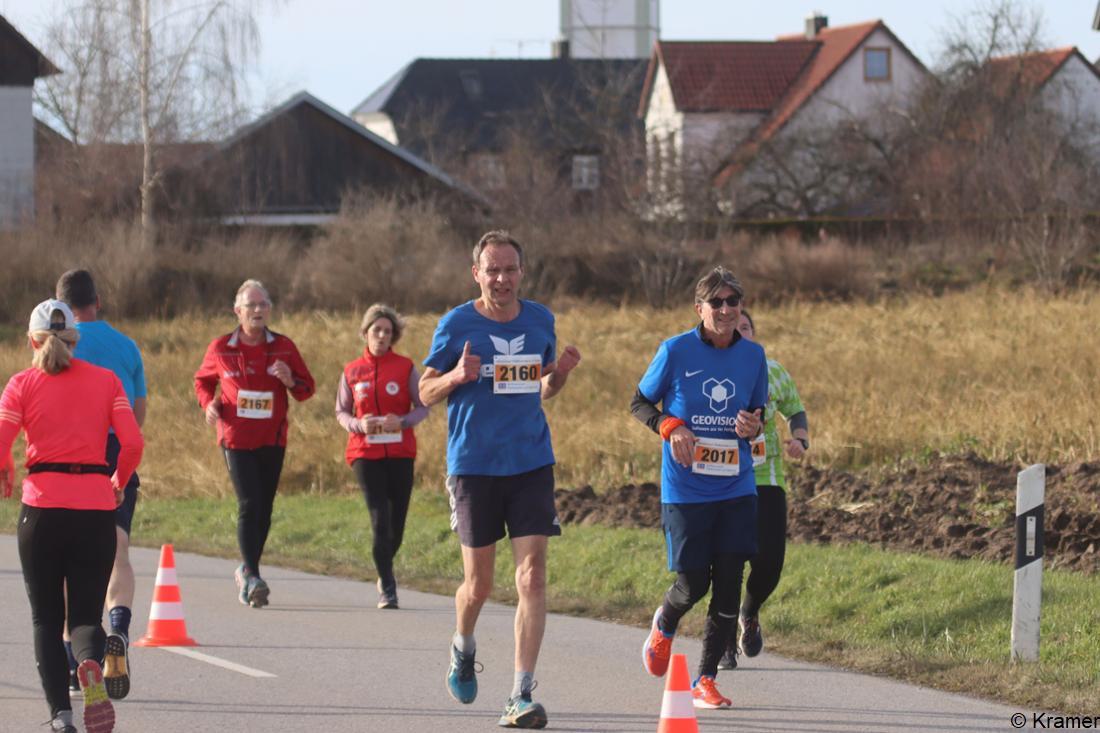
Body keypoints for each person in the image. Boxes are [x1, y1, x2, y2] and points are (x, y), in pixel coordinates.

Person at [420, 230, 581, 729]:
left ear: (521, 272)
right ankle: (463, 646)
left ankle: (520, 694)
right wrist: (454, 377)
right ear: (477, 273)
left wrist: (562, 374)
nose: (502, 278)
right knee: (479, 585)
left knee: (531, 577)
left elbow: (543, 386)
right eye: (493, 270)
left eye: (510, 269)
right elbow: (424, 393)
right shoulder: (457, 323)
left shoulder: (540, 320)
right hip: (473, 465)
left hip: (531, 461)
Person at [1, 299, 143, 733]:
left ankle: (61, 716)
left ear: (32, 340)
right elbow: (133, 441)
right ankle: (88, 664)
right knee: (84, 616)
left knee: (46, 617)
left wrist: (6, 474)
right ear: (75, 340)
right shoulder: (106, 381)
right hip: (95, 508)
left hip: (42, 508)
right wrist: (118, 478)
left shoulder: (21, 384)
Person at [631, 266, 766, 710]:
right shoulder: (675, 351)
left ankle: (705, 679)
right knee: (693, 584)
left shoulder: (754, 355)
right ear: (700, 308)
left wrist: (752, 424)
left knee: (730, 581)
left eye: (733, 302)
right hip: (686, 490)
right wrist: (670, 425)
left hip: (735, 487)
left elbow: (756, 410)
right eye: (717, 303)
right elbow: (640, 402)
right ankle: (665, 622)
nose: (726, 310)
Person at [194, 279, 315, 608]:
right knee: (249, 503)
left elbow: (307, 390)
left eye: (263, 304)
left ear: (270, 310)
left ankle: (248, 570)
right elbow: (203, 380)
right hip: (234, 438)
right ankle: (252, 575)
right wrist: (209, 403)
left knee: (265, 507)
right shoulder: (221, 348)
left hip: (273, 438)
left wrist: (289, 378)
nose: (258, 310)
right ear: (238, 311)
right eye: (252, 305)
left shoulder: (284, 347)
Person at [56, 269, 146, 700]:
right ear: (98, 300)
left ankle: (75, 663)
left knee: (68, 560)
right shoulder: (127, 346)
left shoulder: (59, 346)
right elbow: (139, 411)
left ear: (60, 307)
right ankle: (120, 630)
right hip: (116, 452)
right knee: (117, 549)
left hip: (73, 456)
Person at [718, 309, 809, 670]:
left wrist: (800, 438)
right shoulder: (713, 371)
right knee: (728, 561)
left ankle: (749, 612)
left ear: (754, 334)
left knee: (770, 562)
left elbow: (795, 410)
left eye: (746, 327)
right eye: (733, 328)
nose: (740, 332)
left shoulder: (772, 370)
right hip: (723, 478)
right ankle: (723, 642)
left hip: (767, 477)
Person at [335, 304, 430, 609]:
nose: (381, 336)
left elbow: (423, 405)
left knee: (396, 523)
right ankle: (388, 587)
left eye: (387, 331)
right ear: (365, 333)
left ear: (394, 336)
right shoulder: (352, 371)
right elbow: (341, 411)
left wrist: (402, 421)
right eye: (376, 330)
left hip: (400, 452)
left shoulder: (404, 368)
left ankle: (383, 570)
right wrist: (358, 425)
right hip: (365, 453)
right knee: (379, 518)